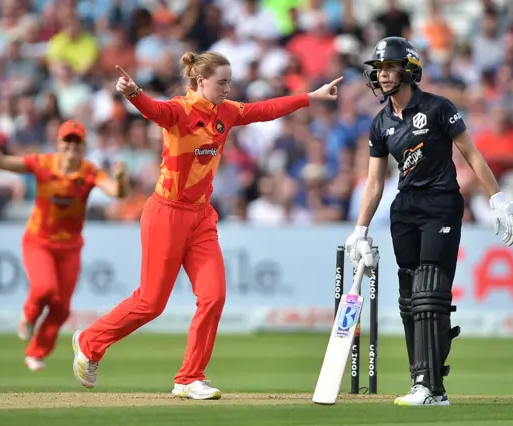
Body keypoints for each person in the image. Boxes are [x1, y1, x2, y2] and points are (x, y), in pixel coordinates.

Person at [71, 51, 344, 400]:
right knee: (151, 303)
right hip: (166, 214)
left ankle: (189, 377)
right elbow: (153, 110)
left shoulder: (225, 113)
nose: (228, 89)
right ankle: (90, 341)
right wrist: (133, 93)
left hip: (201, 217)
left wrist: (311, 96)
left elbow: (266, 109)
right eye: (222, 82)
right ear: (201, 81)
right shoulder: (178, 110)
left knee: (213, 297)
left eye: (229, 82)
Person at [347, 37, 513, 406]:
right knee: (410, 297)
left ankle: (432, 387)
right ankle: (421, 382)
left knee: (430, 291)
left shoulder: (437, 108)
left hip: (442, 203)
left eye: (390, 67)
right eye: (379, 68)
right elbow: (374, 182)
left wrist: (498, 198)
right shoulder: (381, 123)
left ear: (409, 70)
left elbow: (471, 154)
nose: (382, 74)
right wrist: (360, 229)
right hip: (405, 208)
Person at [0, 120, 127, 371]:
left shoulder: (89, 172)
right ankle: (29, 316)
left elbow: (116, 193)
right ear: (59, 143)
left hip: (70, 247)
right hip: (39, 241)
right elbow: (1, 162)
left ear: (83, 146)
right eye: (67, 141)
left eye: (77, 142)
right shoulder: (42, 163)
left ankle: (36, 353)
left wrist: (120, 180)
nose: (71, 147)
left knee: (62, 308)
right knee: (44, 288)